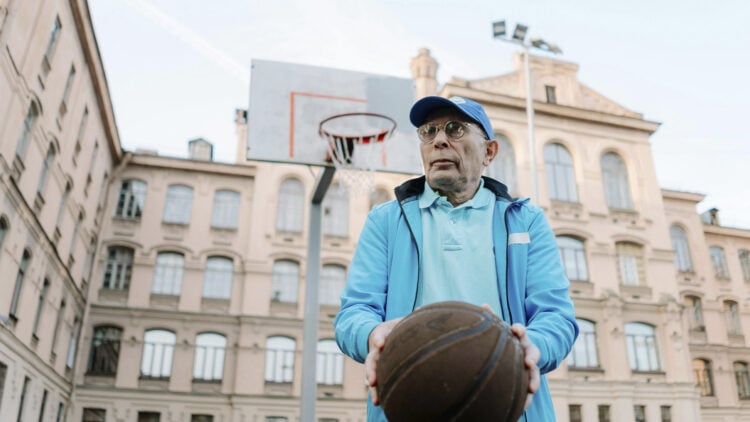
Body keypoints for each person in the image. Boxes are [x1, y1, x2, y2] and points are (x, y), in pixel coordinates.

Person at [334, 96, 578, 421]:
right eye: (428, 131)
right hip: (410, 405)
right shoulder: (385, 220)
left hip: (505, 403)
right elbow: (353, 314)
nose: (439, 140)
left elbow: (556, 317)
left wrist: (530, 348)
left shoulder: (527, 221)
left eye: (455, 129)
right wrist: (371, 334)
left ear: (489, 151)